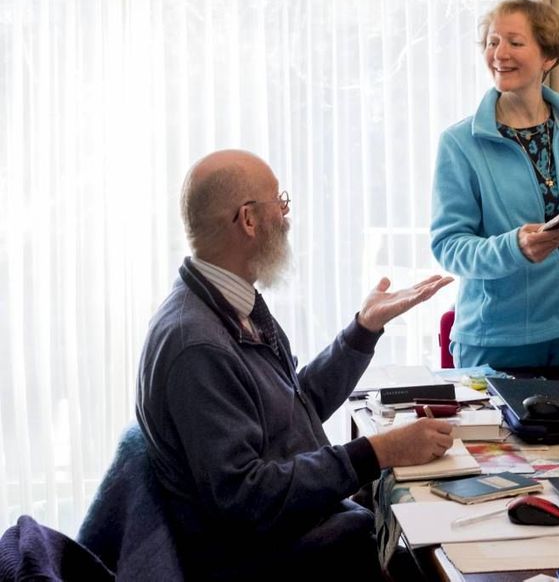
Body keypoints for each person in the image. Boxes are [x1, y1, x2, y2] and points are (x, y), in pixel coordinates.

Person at [136, 149, 454, 580]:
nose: (286, 217)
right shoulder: (196, 345)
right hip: (268, 561)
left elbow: (292, 406)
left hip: (301, 534)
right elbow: (245, 498)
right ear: (249, 220)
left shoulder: (230, 303)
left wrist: (363, 329)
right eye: (279, 203)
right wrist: (376, 452)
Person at [430, 0, 559, 370]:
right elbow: (448, 246)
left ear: (547, 57)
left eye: (515, 42)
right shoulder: (460, 143)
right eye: (492, 41)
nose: (499, 53)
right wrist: (514, 246)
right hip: (498, 344)